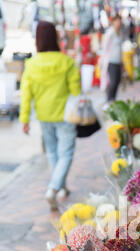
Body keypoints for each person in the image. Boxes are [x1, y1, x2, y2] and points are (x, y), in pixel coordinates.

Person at [19, 21, 81, 211]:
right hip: (66, 115)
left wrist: (25, 119)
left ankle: (60, 187)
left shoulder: (31, 64)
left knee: (53, 153)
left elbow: (26, 94)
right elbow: (76, 91)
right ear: (55, 37)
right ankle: (54, 188)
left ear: (37, 40)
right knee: (66, 153)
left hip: (44, 115)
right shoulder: (66, 62)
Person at [100, 15, 123, 103]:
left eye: (119, 21)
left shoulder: (119, 33)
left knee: (117, 81)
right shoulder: (110, 33)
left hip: (118, 61)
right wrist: (103, 59)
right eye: (117, 21)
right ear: (113, 22)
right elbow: (104, 47)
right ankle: (109, 100)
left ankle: (113, 99)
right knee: (112, 82)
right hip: (111, 61)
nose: (118, 23)